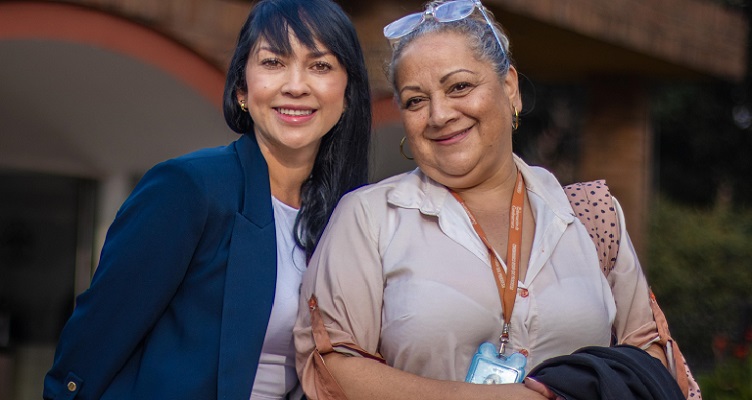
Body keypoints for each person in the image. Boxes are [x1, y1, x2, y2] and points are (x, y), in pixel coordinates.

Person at [294, 1, 691, 399]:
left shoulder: (589, 215)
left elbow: (649, 355)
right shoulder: (369, 218)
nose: (439, 114)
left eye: (459, 87)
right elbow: (332, 366)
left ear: (510, 88)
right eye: (415, 100)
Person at [43, 0, 370, 398]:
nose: (296, 84)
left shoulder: (348, 214)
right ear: (242, 89)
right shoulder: (188, 188)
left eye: (320, 65)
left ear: (348, 92)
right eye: (273, 62)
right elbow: (93, 344)